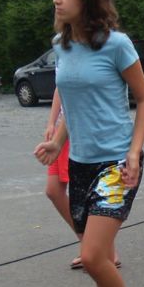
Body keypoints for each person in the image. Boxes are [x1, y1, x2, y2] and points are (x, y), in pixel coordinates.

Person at [34, 0, 144, 287]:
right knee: (95, 261)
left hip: (116, 161)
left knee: (92, 256)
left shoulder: (117, 45)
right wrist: (57, 142)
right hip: (80, 163)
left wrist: (135, 152)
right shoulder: (61, 46)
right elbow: (72, 102)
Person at [44, 89, 120, 271]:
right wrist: (51, 122)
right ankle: (88, 243)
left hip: (80, 130)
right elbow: (60, 87)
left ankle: (105, 250)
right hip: (62, 130)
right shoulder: (63, 60)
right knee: (53, 190)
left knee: (88, 195)